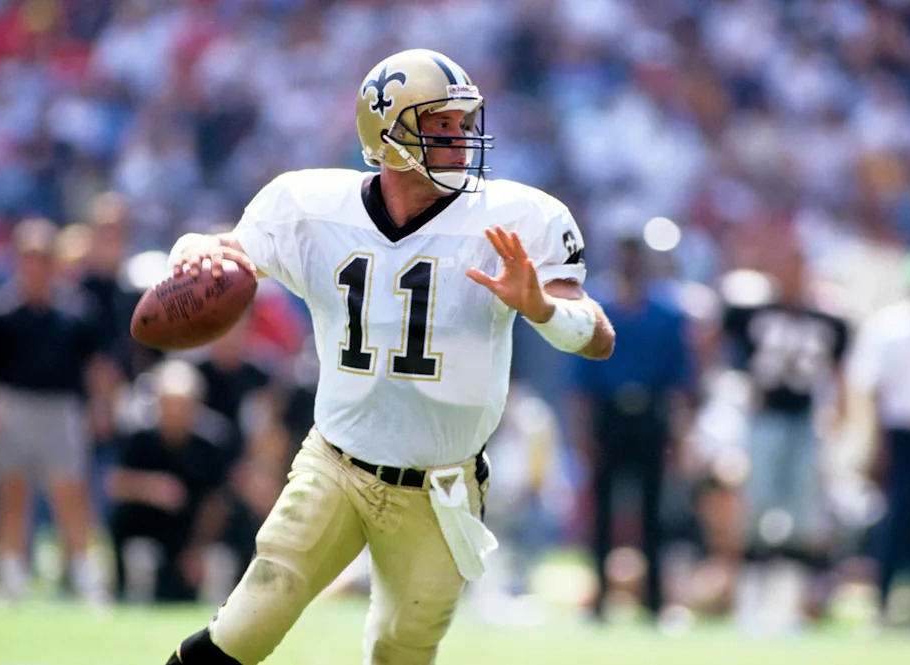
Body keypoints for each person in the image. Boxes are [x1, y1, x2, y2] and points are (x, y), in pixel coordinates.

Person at [160, 49, 614, 665]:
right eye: (442, 125)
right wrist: (194, 245)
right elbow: (227, 258)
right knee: (250, 621)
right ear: (387, 130)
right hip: (336, 465)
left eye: (464, 123)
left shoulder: (517, 218)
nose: (461, 139)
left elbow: (597, 337)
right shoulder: (310, 205)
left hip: (441, 485)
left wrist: (543, 309)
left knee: (401, 651)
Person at [0, 218, 110, 601]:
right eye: (29, 257)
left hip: (61, 410)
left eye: (43, 257)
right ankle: (12, 574)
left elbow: (95, 367)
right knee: (11, 492)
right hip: (11, 405)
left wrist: (100, 408)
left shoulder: (77, 308)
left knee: (70, 492)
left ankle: (83, 574)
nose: (36, 265)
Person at [720, 243, 850, 633]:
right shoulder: (751, 311)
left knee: (802, 517)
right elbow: (718, 343)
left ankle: (790, 607)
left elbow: (838, 373)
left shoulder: (829, 318)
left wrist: (838, 414)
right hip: (764, 420)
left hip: (804, 420)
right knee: (757, 510)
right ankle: (750, 604)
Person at [569, 235, 697, 622]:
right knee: (603, 512)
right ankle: (601, 600)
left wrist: (680, 432)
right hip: (609, 416)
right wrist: (581, 433)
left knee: (654, 512)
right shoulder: (595, 308)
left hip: (650, 415)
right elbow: (581, 378)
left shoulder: (667, 312)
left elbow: (680, 380)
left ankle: (654, 601)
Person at [847, 251, 910, 628]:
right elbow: (871, 388)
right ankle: (881, 604)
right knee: (896, 519)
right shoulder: (890, 327)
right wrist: (876, 446)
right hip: (901, 436)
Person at [107, 359, 230, 603]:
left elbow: (216, 503)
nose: (176, 412)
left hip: (191, 534)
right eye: (169, 404)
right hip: (146, 530)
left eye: (183, 405)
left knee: (219, 560)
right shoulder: (138, 438)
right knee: (138, 555)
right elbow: (115, 484)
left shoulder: (212, 443)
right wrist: (150, 488)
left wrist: (198, 547)